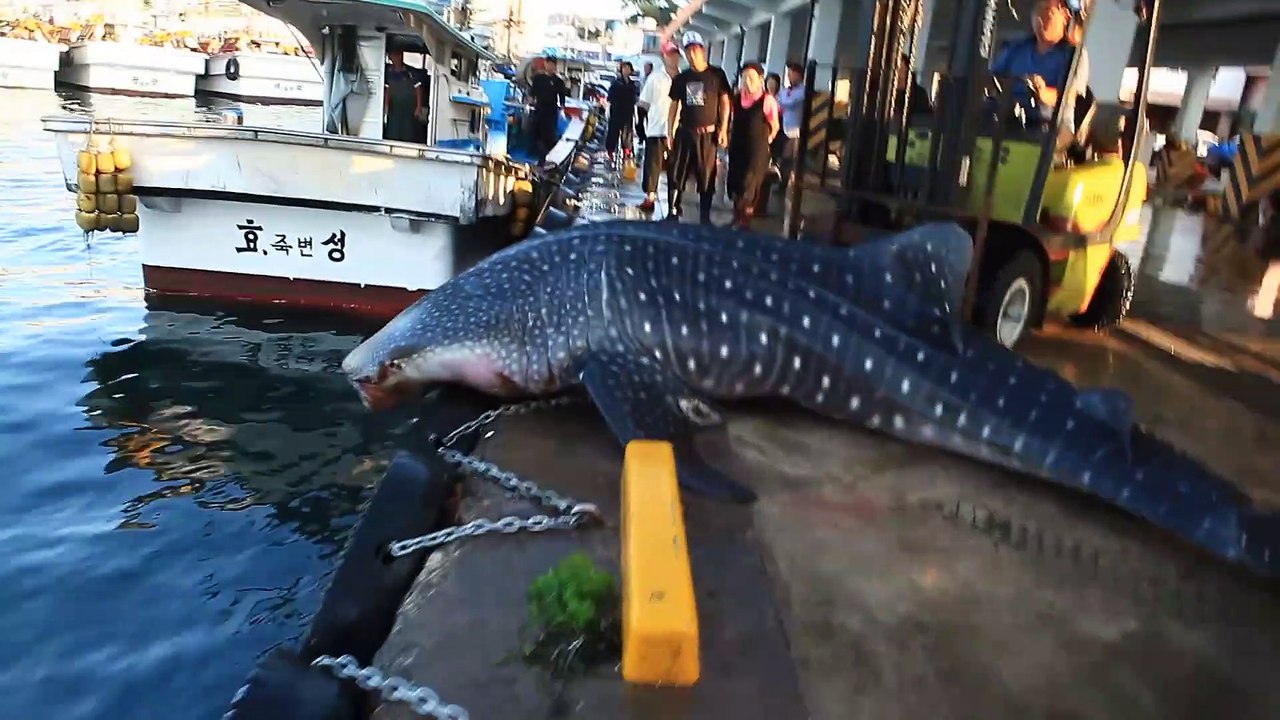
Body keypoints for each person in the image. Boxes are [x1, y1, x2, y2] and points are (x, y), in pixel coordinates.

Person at [990, 0, 1089, 132]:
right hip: (1007, 124)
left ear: (1066, 15)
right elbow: (991, 79)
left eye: (1047, 10)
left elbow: (1069, 96)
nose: (1039, 17)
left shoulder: (1074, 55)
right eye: (1037, 9)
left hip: (1049, 131)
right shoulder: (1015, 48)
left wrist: (1042, 93)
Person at [666, 31, 732, 224]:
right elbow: (673, 106)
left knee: (707, 175)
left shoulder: (717, 74)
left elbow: (725, 101)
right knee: (677, 172)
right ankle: (672, 212)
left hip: (708, 135)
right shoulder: (682, 78)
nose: (692, 54)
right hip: (685, 132)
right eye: (688, 51)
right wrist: (669, 132)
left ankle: (705, 217)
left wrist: (723, 129)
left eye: (695, 49)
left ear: (702, 50)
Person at [726, 62, 781, 229]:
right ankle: (737, 215)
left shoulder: (767, 100)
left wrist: (768, 140)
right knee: (735, 181)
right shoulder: (736, 98)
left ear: (760, 79)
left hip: (757, 151)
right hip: (737, 147)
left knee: (749, 184)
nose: (747, 82)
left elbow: (775, 125)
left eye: (751, 78)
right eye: (744, 78)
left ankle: (745, 219)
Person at [636, 41, 681, 214]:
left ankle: (674, 202)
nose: (673, 58)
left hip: (677, 130)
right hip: (656, 128)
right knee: (652, 165)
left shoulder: (683, 78)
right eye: (670, 54)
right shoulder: (655, 77)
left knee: (675, 167)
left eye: (676, 54)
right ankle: (650, 197)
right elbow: (643, 103)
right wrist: (640, 124)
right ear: (664, 56)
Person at [528, 55, 568, 162]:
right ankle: (537, 155)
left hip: (551, 111)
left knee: (549, 135)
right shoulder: (538, 78)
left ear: (554, 66)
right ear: (545, 64)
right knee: (536, 133)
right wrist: (530, 102)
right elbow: (532, 93)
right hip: (539, 109)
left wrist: (562, 109)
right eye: (548, 63)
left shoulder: (558, 81)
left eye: (552, 64)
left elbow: (562, 97)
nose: (549, 66)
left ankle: (545, 158)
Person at [775, 61, 806, 191]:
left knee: (788, 158)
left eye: (792, 74)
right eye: (788, 74)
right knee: (781, 155)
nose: (789, 77)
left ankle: (784, 183)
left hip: (795, 130)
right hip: (783, 127)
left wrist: (781, 101)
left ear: (799, 75)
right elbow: (778, 101)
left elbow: (789, 103)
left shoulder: (803, 91)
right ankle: (780, 179)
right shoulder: (785, 90)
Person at [383, 49, 425, 143]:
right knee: (393, 131)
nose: (397, 58)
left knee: (408, 132)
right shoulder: (388, 73)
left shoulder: (411, 72)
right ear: (390, 57)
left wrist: (418, 107)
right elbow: (387, 90)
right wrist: (386, 106)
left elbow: (418, 89)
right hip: (394, 107)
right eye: (394, 56)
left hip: (409, 107)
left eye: (399, 55)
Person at [606, 61, 639, 161]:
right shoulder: (615, 83)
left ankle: (627, 152)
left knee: (627, 134)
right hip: (616, 112)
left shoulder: (633, 84)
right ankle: (610, 152)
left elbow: (635, 98)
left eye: (628, 68)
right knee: (613, 133)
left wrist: (635, 112)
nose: (626, 70)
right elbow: (610, 98)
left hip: (628, 112)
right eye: (624, 68)